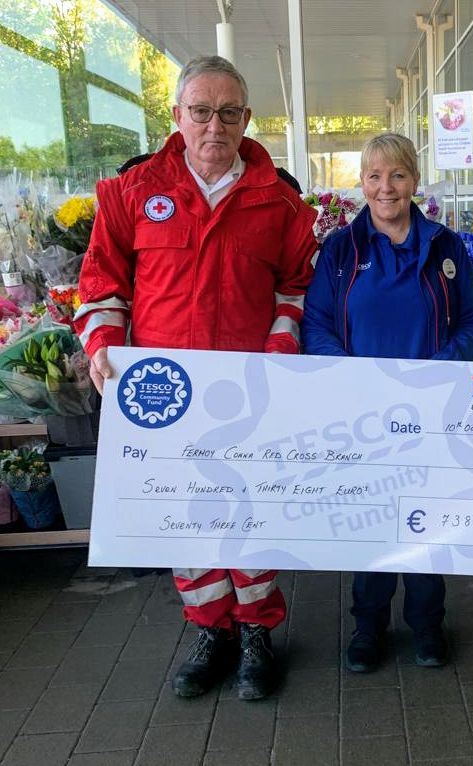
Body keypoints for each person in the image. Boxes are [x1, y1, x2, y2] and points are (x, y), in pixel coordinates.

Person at [74, 55, 318, 701]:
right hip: (163, 399)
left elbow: (297, 285)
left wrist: (279, 342)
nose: (215, 125)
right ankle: (212, 630)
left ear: (247, 119)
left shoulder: (281, 202)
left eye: (229, 112)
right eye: (201, 111)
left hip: (249, 395)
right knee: (184, 518)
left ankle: (259, 632)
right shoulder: (129, 192)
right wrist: (102, 341)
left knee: (250, 514)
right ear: (176, 116)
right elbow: (101, 283)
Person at [302, 133, 473, 672]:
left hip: (430, 410)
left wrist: (439, 372)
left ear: (414, 181)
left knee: (427, 518)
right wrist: (348, 379)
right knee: (372, 518)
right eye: (375, 176)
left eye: (398, 175)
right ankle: (368, 626)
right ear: (361, 183)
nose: (386, 187)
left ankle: (428, 625)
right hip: (361, 411)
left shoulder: (445, 245)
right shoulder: (340, 249)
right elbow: (316, 324)